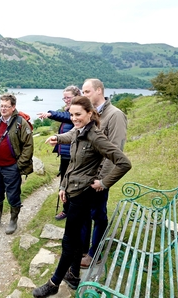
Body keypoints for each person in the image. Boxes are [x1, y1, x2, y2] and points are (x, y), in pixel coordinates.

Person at [32, 96, 131, 297]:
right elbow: (71, 144)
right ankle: (74, 274)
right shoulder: (80, 131)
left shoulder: (96, 137)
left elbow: (123, 163)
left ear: (89, 113)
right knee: (78, 238)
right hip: (73, 190)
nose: (74, 118)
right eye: (71, 114)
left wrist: (104, 183)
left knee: (69, 240)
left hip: (82, 195)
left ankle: (54, 283)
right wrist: (57, 139)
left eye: (78, 114)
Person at [45, 78, 128, 269]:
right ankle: (81, 251)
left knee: (98, 215)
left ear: (99, 91)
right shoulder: (86, 114)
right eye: (82, 91)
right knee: (84, 218)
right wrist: (58, 138)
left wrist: (103, 181)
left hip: (97, 180)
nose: (83, 95)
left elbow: (116, 150)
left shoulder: (115, 115)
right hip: (83, 181)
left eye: (87, 91)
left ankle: (94, 253)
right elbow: (75, 133)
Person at [0, 93, 34, 235]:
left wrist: (18, 165)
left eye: (6, 106)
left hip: (11, 167)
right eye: (1, 106)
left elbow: (28, 146)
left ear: (13, 107)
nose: (3, 109)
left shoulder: (21, 123)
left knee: (13, 195)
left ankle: (13, 220)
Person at [37, 85, 81, 221]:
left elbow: (66, 117)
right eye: (64, 98)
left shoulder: (76, 111)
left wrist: (50, 114)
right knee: (64, 181)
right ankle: (67, 209)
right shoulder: (69, 110)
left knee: (69, 182)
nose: (66, 100)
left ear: (76, 96)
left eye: (68, 97)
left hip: (73, 153)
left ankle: (68, 210)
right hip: (66, 153)